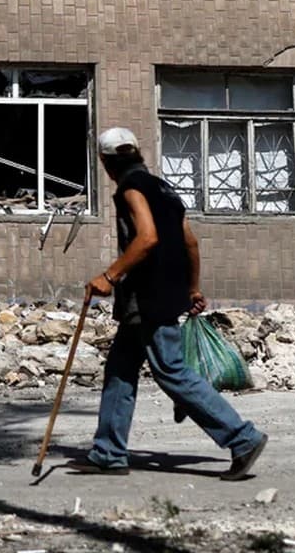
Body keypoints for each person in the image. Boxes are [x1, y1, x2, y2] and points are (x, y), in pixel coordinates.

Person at [67, 127, 269, 479]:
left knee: (171, 369)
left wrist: (109, 276)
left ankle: (242, 437)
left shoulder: (130, 189)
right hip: (161, 293)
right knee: (120, 370)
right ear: (138, 152)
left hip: (148, 296)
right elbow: (190, 242)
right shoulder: (166, 189)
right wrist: (192, 288)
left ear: (104, 161)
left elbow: (147, 238)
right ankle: (109, 452)